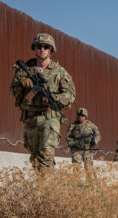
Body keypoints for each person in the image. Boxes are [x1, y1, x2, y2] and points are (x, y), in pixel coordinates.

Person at [10, 33, 76, 170]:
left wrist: (54, 98)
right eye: (39, 46)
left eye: (46, 47)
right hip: (30, 119)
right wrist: (22, 84)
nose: (42, 49)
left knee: (45, 154)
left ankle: (46, 188)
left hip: (49, 118)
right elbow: (13, 92)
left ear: (51, 49)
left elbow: (70, 95)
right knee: (36, 160)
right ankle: (50, 187)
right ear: (34, 48)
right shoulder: (25, 69)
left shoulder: (59, 72)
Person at [65, 108, 101, 179]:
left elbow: (98, 135)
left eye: (82, 115)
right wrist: (73, 142)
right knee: (76, 167)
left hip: (88, 150)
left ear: (85, 116)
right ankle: (77, 184)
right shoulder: (73, 125)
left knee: (88, 168)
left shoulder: (91, 125)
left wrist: (95, 140)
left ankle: (90, 185)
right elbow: (67, 136)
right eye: (78, 115)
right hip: (77, 150)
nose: (80, 117)